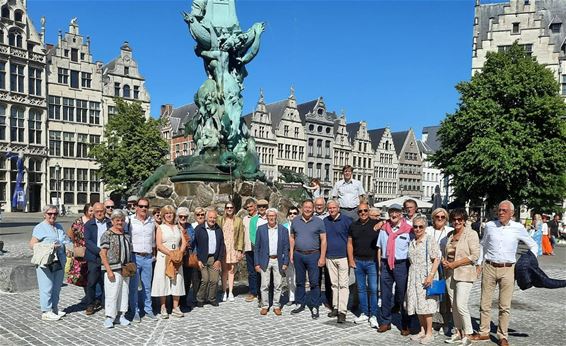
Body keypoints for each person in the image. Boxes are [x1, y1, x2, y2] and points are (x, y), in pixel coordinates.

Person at [470, 200, 538, 346]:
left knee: (504, 305)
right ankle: (483, 332)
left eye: (504, 210)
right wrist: (479, 263)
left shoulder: (518, 227)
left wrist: (529, 263)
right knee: (485, 302)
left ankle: (502, 335)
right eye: (499, 210)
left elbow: (533, 245)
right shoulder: (489, 226)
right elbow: (483, 245)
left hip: (508, 269)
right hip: (489, 267)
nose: (501, 212)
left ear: (512, 213)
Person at [442, 209, 480, 346]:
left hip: (464, 273)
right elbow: (446, 253)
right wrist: (445, 261)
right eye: (454, 219)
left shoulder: (471, 234)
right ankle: (458, 332)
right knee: (454, 305)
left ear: (464, 220)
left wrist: (455, 264)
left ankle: (468, 334)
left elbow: (474, 256)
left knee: (461, 304)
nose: (456, 222)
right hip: (450, 273)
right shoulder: (450, 235)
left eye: (459, 219)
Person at [376, 203, 414, 335]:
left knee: (403, 295)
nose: (393, 214)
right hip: (386, 264)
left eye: (396, 212)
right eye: (391, 212)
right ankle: (385, 322)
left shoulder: (409, 230)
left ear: (401, 214)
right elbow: (379, 248)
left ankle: (405, 324)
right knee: (385, 295)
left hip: (401, 265)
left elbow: (412, 249)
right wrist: (380, 265)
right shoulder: (383, 229)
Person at [30, 205, 71, 321]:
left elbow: (66, 240)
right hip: (46, 261)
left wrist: (67, 247)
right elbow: (32, 245)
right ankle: (46, 311)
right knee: (46, 286)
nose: (52, 216)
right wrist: (50, 246)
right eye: (50, 214)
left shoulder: (58, 226)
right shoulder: (40, 227)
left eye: (55, 214)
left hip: (59, 261)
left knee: (57, 287)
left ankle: (54, 308)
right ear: (44, 214)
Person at [405, 215, 440, 345]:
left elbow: (437, 258)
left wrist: (430, 275)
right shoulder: (413, 241)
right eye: (415, 226)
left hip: (426, 275)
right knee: (417, 303)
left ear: (425, 227)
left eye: (421, 226)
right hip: (413, 275)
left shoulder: (429, 240)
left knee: (426, 304)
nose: (418, 229)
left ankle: (429, 332)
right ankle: (422, 330)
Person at [290, 199, 327, 319]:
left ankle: (315, 305)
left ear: (313, 208)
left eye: (310, 207)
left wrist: (322, 257)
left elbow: (324, 240)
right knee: (299, 281)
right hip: (298, 255)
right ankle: (300, 303)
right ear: (302, 208)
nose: (308, 209)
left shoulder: (319, 222)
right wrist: (291, 253)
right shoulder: (295, 220)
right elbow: (292, 237)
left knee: (314, 282)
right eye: (305, 207)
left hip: (314, 255)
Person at [100, 209, 134, 328]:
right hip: (112, 269)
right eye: (117, 220)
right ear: (113, 221)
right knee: (112, 293)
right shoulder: (107, 234)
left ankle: (121, 315)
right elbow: (103, 253)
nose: (120, 222)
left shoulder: (126, 235)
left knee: (124, 292)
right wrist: (108, 270)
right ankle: (110, 317)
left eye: (122, 220)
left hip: (125, 269)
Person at [347, 202, 380, 328]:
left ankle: (374, 315)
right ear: (357, 213)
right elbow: (349, 243)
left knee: (372, 289)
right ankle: (365, 312)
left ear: (368, 211)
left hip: (372, 262)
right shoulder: (353, 226)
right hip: (358, 261)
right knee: (361, 289)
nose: (363, 213)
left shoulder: (375, 224)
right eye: (360, 211)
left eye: (365, 210)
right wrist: (351, 259)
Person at [151, 205, 186, 319]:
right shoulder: (160, 228)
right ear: (163, 215)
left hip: (176, 258)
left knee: (177, 280)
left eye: (171, 213)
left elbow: (184, 242)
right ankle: (163, 307)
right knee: (163, 280)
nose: (169, 215)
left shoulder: (178, 228)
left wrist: (179, 253)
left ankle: (176, 307)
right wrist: (170, 253)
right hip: (164, 257)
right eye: (166, 213)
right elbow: (159, 245)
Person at [255, 208, 290, 315]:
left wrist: (285, 262)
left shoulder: (283, 230)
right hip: (265, 260)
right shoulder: (261, 229)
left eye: (273, 216)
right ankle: (265, 305)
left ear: (276, 217)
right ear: (266, 217)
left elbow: (286, 248)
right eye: (269, 216)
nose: (271, 218)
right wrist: (256, 263)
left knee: (278, 284)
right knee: (264, 285)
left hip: (278, 260)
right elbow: (257, 248)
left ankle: (276, 305)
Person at [128, 197, 157, 322]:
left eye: (146, 206)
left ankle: (148, 309)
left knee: (147, 285)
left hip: (148, 257)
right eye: (141, 206)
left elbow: (154, 240)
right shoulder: (130, 221)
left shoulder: (152, 222)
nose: (143, 208)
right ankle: (134, 311)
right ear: (136, 207)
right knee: (134, 286)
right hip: (135, 256)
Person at [425, 207, 453, 335]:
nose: (440, 219)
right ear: (433, 218)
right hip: (429, 266)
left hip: (443, 267)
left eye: (443, 217)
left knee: (444, 295)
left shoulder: (450, 231)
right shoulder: (428, 230)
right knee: (430, 294)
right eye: (437, 217)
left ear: (446, 219)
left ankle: (445, 322)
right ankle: (431, 321)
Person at [325, 200, 352, 323]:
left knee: (343, 285)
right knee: (334, 284)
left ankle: (342, 311)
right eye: (329, 208)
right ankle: (335, 307)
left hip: (343, 257)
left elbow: (351, 240)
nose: (331, 210)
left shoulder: (347, 220)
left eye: (333, 208)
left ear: (338, 208)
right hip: (329, 257)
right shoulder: (325, 221)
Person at [84, 202, 111, 315]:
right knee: (92, 282)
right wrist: (99, 251)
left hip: (108, 256)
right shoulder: (88, 225)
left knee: (107, 281)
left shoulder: (110, 223)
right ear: (93, 212)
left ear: (104, 211)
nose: (99, 213)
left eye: (101, 211)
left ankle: (106, 302)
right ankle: (90, 304)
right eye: (97, 211)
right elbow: (88, 241)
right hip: (94, 257)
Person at [194, 209, 225, 307]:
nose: (212, 219)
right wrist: (197, 259)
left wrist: (218, 260)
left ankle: (212, 298)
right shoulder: (199, 229)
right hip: (202, 258)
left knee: (214, 280)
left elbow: (221, 246)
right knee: (205, 279)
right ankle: (200, 299)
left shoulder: (218, 229)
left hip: (213, 259)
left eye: (214, 218)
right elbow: (194, 245)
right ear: (206, 218)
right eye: (211, 217)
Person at [217, 202, 244, 302]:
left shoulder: (238, 221)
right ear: (225, 209)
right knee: (224, 270)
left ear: (234, 208)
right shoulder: (220, 220)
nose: (229, 209)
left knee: (232, 270)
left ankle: (231, 291)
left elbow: (241, 235)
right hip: (223, 248)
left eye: (231, 207)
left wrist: (240, 250)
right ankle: (224, 291)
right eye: (227, 207)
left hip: (233, 247)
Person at [244, 198, 268, 303]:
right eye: (260, 207)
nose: (262, 208)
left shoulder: (268, 217)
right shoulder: (249, 219)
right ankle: (255, 292)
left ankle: (265, 293)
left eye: (264, 206)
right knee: (253, 271)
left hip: (264, 250)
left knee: (264, 271)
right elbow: (248, 234)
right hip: (252, 248)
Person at [67, 203, 93, 291]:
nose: (92, 213)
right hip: (81, 253)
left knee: (91, 276)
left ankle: (91, 297)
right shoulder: (79, 222)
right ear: (86, 211)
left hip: (92, 252)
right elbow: (70, 234)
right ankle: (88, 297)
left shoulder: (95, 221)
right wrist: (76, 243)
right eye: (90, 211)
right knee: (82, 276)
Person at [314, 196, 332, 309]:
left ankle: (329, 300)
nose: (319, 206)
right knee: (316, 276)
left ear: (324, 205)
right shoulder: (311, 216)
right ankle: (316, 299)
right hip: (315, 249)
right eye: (317, 205)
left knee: (329, 277)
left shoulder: (328, 217)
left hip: (328, 249)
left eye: (321, 205)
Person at [282, 206, 299, 305]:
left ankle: (299, 296)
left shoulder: (301, 225)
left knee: (298, 276)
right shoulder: (284, 226)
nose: (292, 215)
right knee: (289, 277)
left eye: (295, 213)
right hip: (287, 254)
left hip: (298, 253)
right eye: (290, 213)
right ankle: (291, 297)